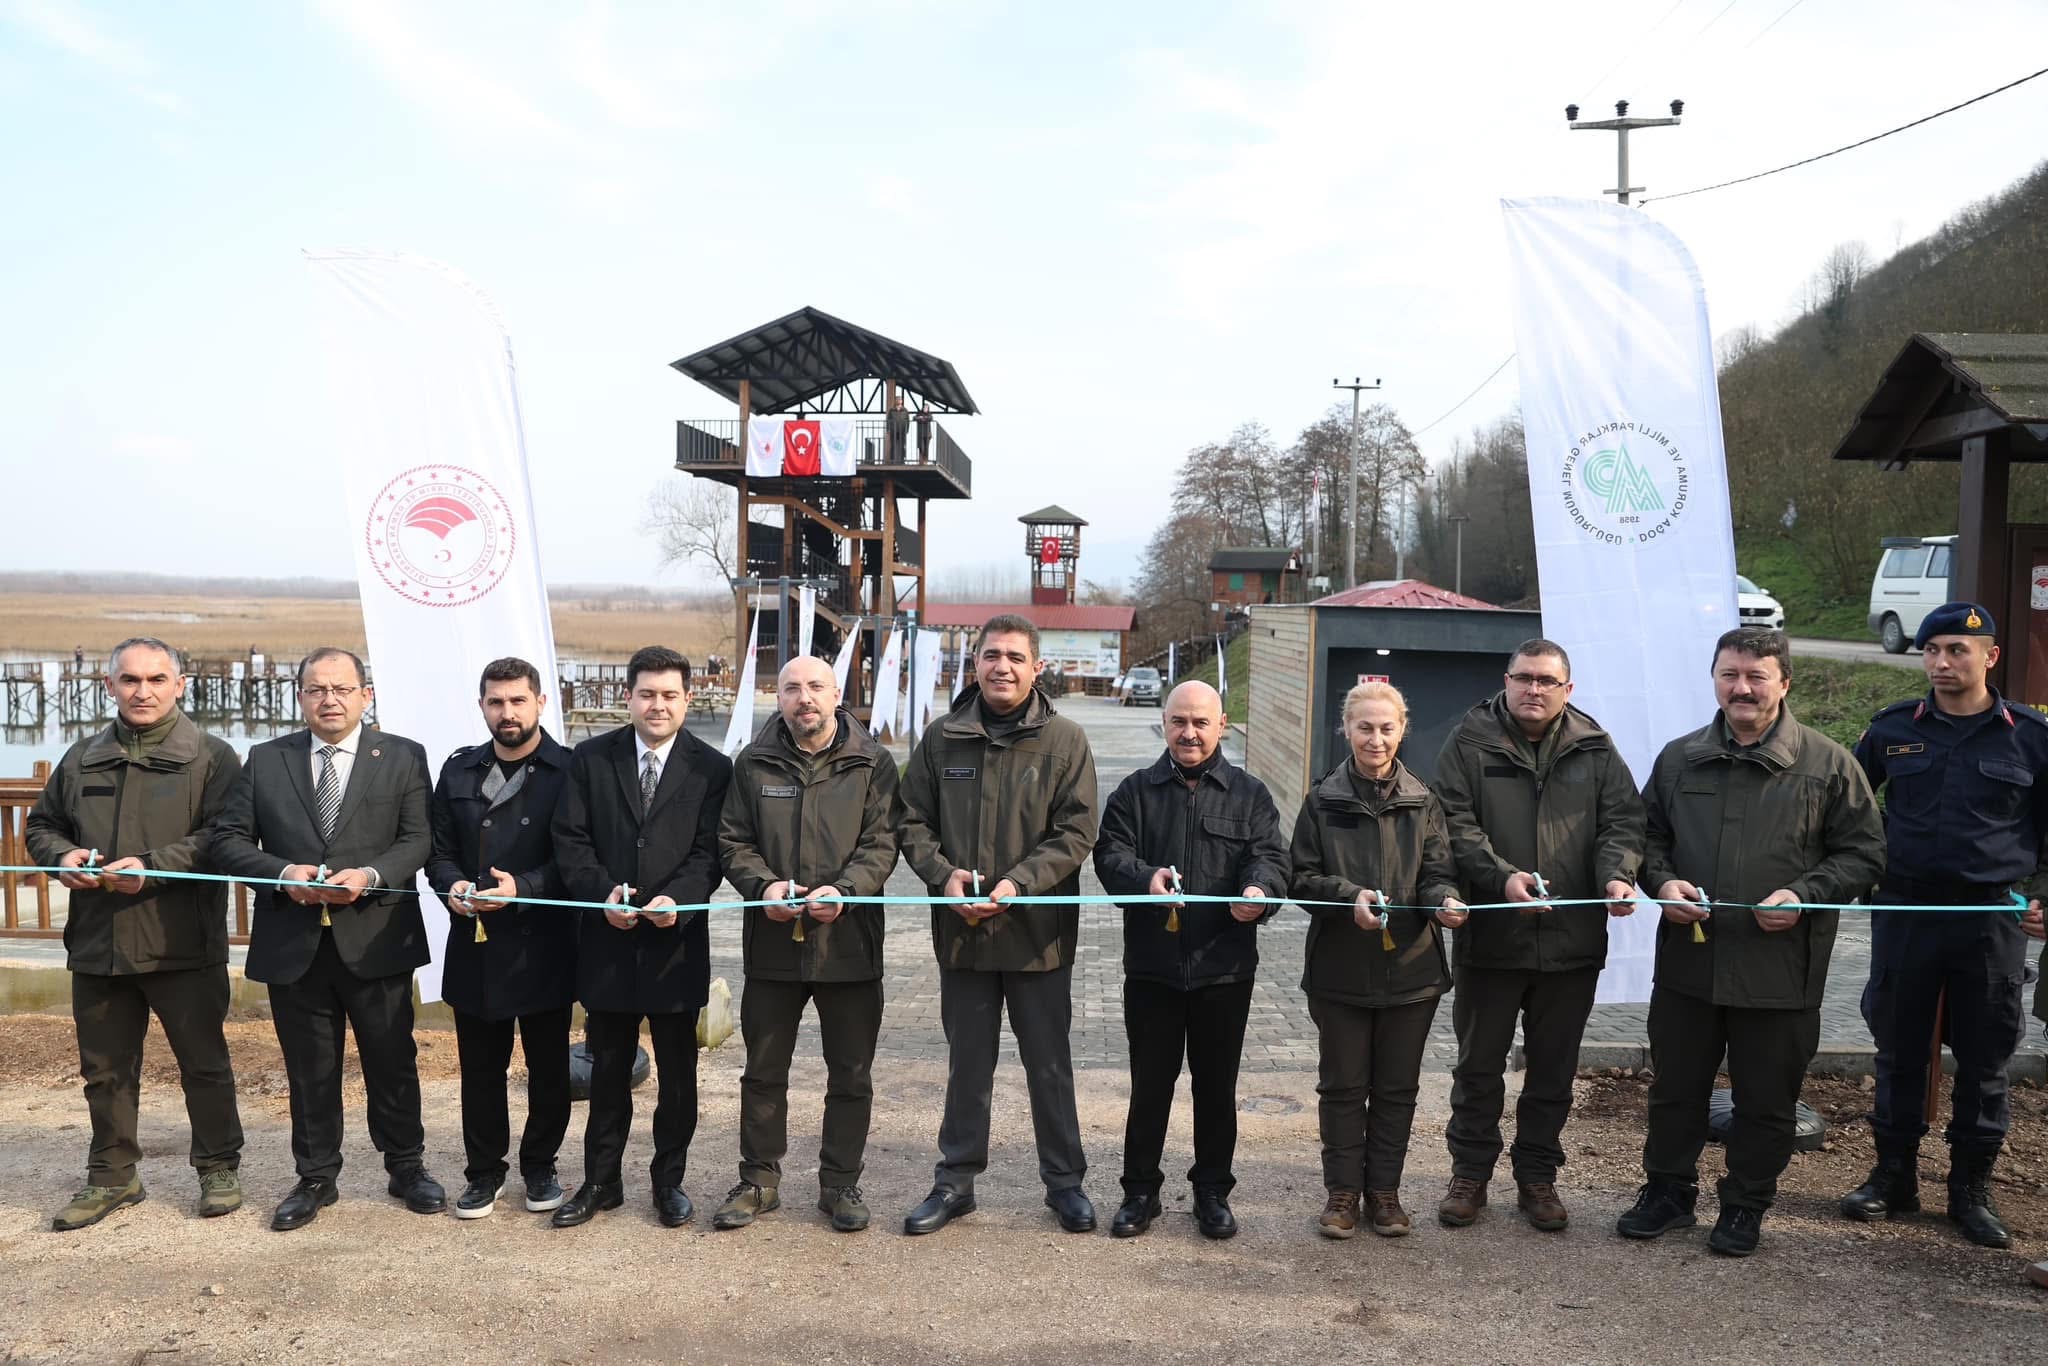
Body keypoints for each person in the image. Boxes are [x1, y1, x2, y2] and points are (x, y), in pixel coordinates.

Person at [1617, 627, 1885, 1257]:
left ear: (1783, 683)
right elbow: (1647, 837)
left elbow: (1865, 854)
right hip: (1690, 964)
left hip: (1781, 969)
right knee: (1675, 1089)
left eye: (1756, 676)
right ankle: (1668, 1192)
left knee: (1766, 1098)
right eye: (1729, 674)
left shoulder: (1828, 765)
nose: (1741, 688)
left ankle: (1745, 1203)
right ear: (1714, 678)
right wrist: (1663, 882)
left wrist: (1804, 894)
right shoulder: (1679, 759)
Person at [212, 647, 444, 1231]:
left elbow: (419, 839)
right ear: (301, 697)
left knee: (392, 1060)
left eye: (342, 689)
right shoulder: (266, 759)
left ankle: (406, 1166)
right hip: (295, 945)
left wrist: (370, 875)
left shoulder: (403, 756)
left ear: (366, 695)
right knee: (309, 1068)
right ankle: (316, 1176)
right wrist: (282, 874)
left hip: (377, 938)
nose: (330, 700)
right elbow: (228, 841)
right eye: (317, 689)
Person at [1841, 603, 2048, 1248]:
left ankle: (1970, 1188)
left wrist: (2043, 894)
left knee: (1986, 1054)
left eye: (1957, 650)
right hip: (1906, 910)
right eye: (1932, 651)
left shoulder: (2031, 737)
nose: (1941, 663)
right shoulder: (1892, 729)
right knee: (1899, 1046)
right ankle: (1893, 1175)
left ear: (1990, 656)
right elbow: (1846, 807)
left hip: (1991, 917)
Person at [28, 637, 246, 1231]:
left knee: (203, 1064)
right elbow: (42, 825)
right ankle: (112, 1175)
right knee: (105, 1071)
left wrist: (153, 866)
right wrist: (61, 857)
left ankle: (218, 1168)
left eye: (155, 679)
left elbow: (224, 836)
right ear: (110, 686)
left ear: (180, 685)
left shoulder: (212, 756)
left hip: (182, 942)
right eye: (129, 680)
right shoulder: (83, 756)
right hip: (98, 942)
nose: (142, 691)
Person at [895, 613, 1100, 1235]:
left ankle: (1064, 1183)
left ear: (1037, 667)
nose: (1001, 667)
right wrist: (942, 877)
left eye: (1014, 657)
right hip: (963, 933)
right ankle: (955, 1182)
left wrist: (1020, 883)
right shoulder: (941, 739)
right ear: (975, 662)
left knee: (1049, 1065)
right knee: (967, 1064)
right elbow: (911, 820)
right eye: (991, 655)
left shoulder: (1065, 741)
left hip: (1038, 937)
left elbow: (1077, 831)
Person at [1431, 639, 1645, 1232]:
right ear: (1506, 680)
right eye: (1524, 677)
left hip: (1572, 944)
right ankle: (1470, 1174)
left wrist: (1617, 875)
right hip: (1492, 941)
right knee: (1478, 1069)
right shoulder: (1468, 741)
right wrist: (1500, 878)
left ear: (1567, 690)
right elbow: (1451, 823)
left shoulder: (1595, 748)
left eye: (1547, 681)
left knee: (1553, 1072)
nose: (1534, 689)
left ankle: (1537, 1176)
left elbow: (1624, 822)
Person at [1093, 681, 1287, 1239]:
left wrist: (1259, 892)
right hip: (1152, 970)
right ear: (1164, 722)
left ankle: (1212, 1192)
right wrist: (1143, 878)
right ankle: (1140, 1192)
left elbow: (1271, 858)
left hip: (1223, 970)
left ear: (1222, 724)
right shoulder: (1134, 792)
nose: (1189, 733)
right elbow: (1109, 854)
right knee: (1149, 1086)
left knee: (1216, 1088)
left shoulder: (1250, 794)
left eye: (1201, 722)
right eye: (1179, 721)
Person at [714, 655, 900, 1234]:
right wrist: (762, 886)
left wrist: (847, 891)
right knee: (764, 1070)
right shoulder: (752, 762)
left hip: (849, 944)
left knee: (851, 1073)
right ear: (779, 698)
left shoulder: (872, 763)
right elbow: (732, 841)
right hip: (772, 944)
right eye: (792, 688)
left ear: (836, 693)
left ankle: (840, 1183)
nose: (804, 698)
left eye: (816, 686)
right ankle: (758, 1180)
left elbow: (882, 844)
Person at [549, 645, 730, 1230]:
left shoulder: (713, 768)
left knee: (678, 1077)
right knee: (607, 1072)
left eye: (670, 695)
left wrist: (679, 899)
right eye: (647, 694)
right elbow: (570, 840)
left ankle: (668, 1182)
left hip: (675, 945)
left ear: (687, 699)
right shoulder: (590, 759)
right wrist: (601, 893)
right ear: (628, 697)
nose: (658, 705)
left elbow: (711, 852)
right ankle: (601, 1182)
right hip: (607, 943)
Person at [1290, 680, 1467, 1238]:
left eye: (1386, 728)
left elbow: (1439, 871)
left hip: (1412, 973)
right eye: (1364, 727)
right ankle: (1342, 1193)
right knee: (1343, 1088)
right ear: (1346, 729)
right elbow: (1300, 878)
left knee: (1396, 1089)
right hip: (1339, 972)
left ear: (1402, 730)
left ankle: (1385, 1193)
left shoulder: (1424, 800)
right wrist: (1348, 898)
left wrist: (1444, 902)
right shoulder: (1322, 800)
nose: (1376, 738)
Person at [424, 657, 578, 1220]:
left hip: (545, 943)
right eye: (496, 702)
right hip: (477, 941)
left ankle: (540, 1165)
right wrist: (452, 886)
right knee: (481, 1070)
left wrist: (526, 887)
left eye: (517, 700)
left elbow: (577, 857)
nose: (507, 712)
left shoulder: (570, 770)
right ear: (482, 706)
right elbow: (437, 851)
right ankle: (483, 1172)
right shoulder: (459, 770)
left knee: (549, 1068)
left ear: (540, 702)